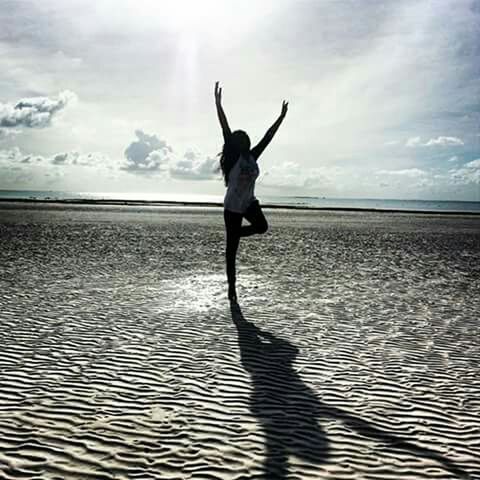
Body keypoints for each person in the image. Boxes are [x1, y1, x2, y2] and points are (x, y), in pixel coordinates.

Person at [215, 81, 288, 302]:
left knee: (262, 227)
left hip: (248, 203)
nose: (247, 139)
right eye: (243, 138)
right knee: (231, 252)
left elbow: (268, 137)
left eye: (247, 138)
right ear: (238, 143)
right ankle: (232, 288)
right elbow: (224, 127)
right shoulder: (236, 157)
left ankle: (236, 235)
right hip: (232, 208)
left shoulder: (252, 156)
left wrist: (281, 117)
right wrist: (218, 104)